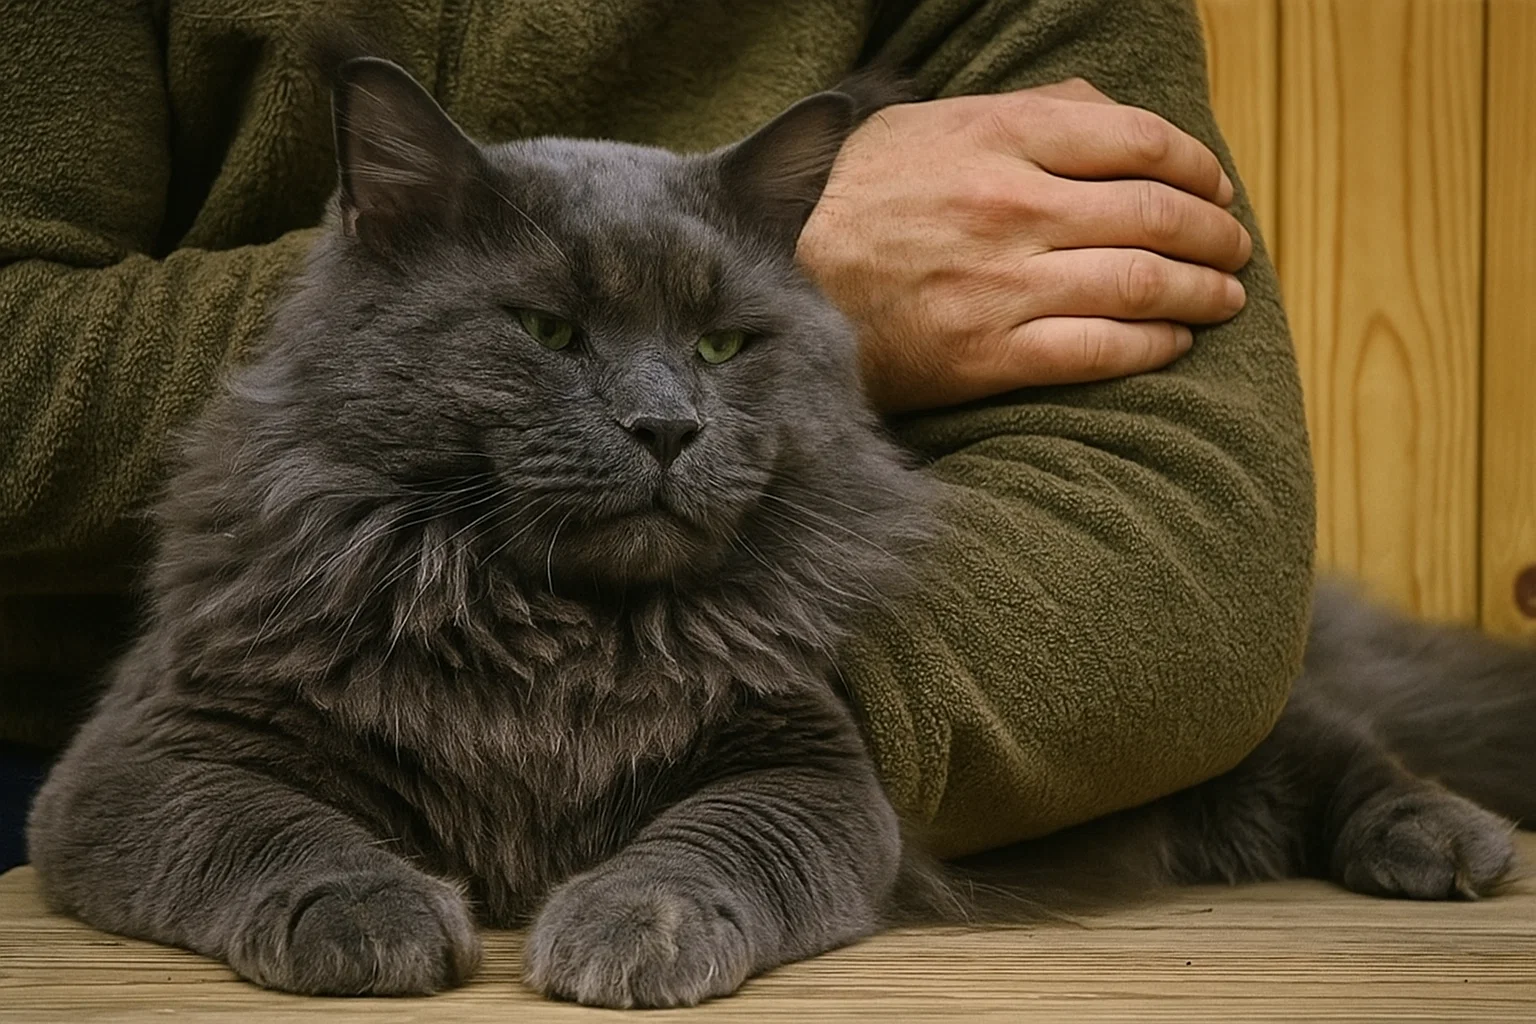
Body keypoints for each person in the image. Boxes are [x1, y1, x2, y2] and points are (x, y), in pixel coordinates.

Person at [0, 0, 1312, 870]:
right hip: (185, 768)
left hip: (794, 761)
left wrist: (748, 792)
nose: (662, 411)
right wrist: (805, 278)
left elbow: (1185, 527)